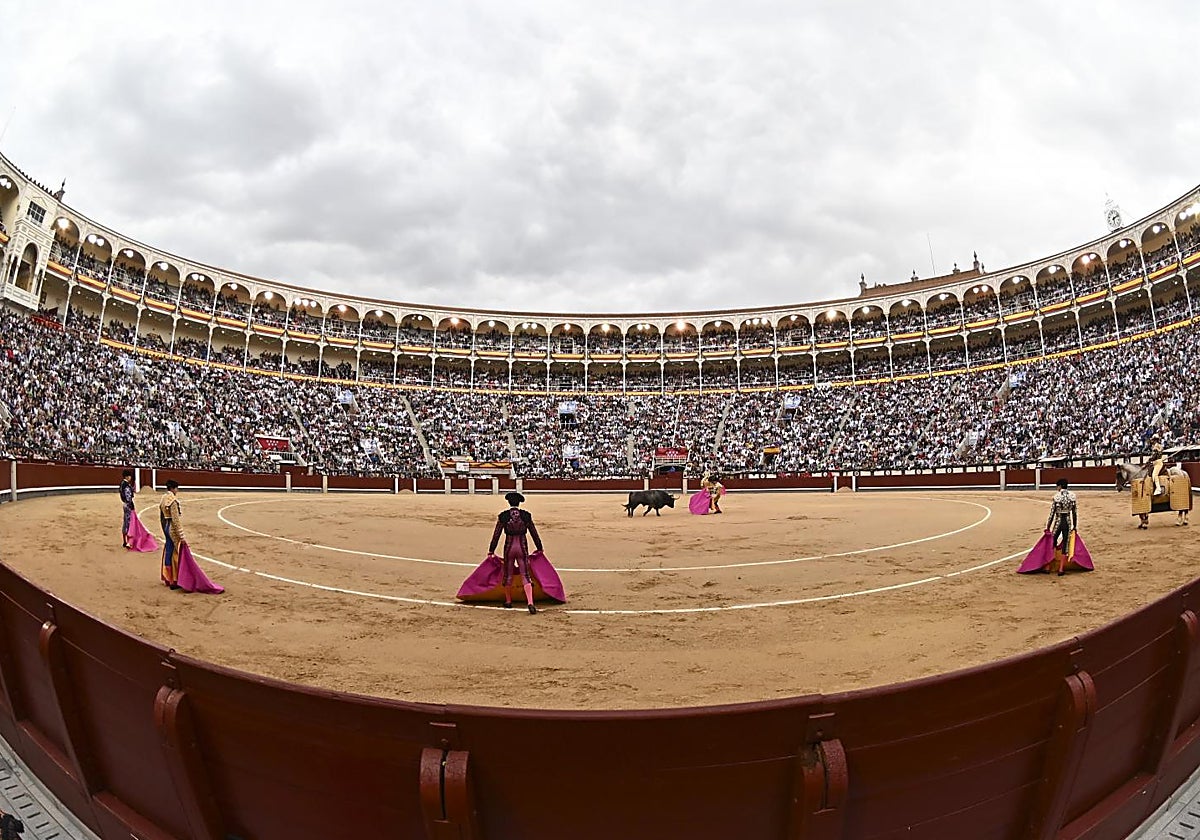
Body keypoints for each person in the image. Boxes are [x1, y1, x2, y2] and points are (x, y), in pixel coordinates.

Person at [488, 492, 544, 614]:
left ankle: (508, 601)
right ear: (519, 503)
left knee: (508, 574)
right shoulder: (526, 516)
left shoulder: (503, 516)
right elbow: (534, 533)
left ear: (509, 503)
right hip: (522, 546)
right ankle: (530, 602)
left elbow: (496, 535)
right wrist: (539, 547)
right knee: (525, 574)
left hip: (509, 547)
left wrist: (491, 550)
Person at [1045, 478, 1078, 576]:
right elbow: (1074, 513)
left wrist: (1048, 526)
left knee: (1052, 542)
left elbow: (1052, 514)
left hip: (1058, 522)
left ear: (1059, 486)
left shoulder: (1057, 497)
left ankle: (1047, 567)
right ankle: (1061, 569)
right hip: (1067, 522)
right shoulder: (1072, 496)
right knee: (1065, 545)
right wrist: (1075, 525)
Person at [160, 480, 184, 589]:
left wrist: (164, 529)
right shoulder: (173, 501)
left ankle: (168, 578)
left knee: (169, 550)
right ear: (174, 489)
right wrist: (181, 535)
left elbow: (161, 516)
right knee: (175, 552)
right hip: (172, 528)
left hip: (165, 525)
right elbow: (175, 520)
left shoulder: (163, 498)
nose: (177, 491)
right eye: (177, 489)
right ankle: (174, 580)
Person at [119, 469, 136, 549]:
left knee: (126, 523)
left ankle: (125, 541)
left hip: (125, 504)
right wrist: (131, 505)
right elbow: (128, 497)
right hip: (128, 505)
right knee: (129, 523)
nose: (130, 478)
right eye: (130, 476)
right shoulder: (126, 485)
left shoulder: (122, 484)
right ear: (127, 476)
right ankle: (129, 542)